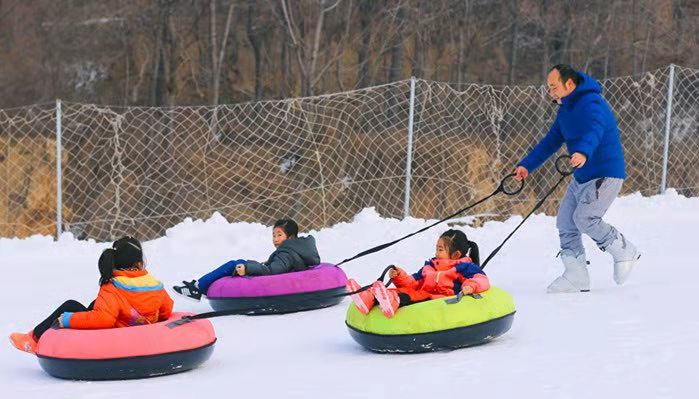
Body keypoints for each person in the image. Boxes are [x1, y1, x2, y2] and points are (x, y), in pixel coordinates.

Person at [514, 64, 640, 293]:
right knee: (565, 222)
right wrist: (526, 166)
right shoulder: (565, 110)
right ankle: (576, 274)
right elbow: (550, 141)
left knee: (585, 218)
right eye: (549, 87)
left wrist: (583, 151)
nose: (550, 92)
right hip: (582, 177)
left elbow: (596, 129)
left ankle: (623, 249)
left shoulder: (592, 103)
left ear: (569, 84)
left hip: (605, 173)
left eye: (553, 87)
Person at [9, 236, 174, 354]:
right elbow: (167, 310)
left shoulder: (113, 286)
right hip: (140, 328)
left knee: (71, 306)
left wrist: (68, 319)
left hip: (115, 333)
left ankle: (33, 338)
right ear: (139, 263)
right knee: (97, 303)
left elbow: (104, 319)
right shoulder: (154, 284)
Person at [346, 229, 489, 318]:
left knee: (411, 295)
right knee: (401, 289)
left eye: (440, 249)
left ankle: (391, 302)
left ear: (456, 254)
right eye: (436, 248)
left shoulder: (464, 267)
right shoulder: (430, 267)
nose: (436, 253)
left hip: (437, 299)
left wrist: (471, 286)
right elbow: (413, 282)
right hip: (422, 292)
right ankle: (368, 298)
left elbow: (482, 279)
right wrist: (399, 276)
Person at [174, 218, 321, 300]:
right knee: (239, 262)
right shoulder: (294, 249)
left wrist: (249, 268)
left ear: (290, 237)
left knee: (235, 264)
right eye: (273, 235)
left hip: (272, 283)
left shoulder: (287, 252)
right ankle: (199, 285)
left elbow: (273, 271)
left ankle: (198, 288)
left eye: (279, 235)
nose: (275, 239)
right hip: (274, 274)